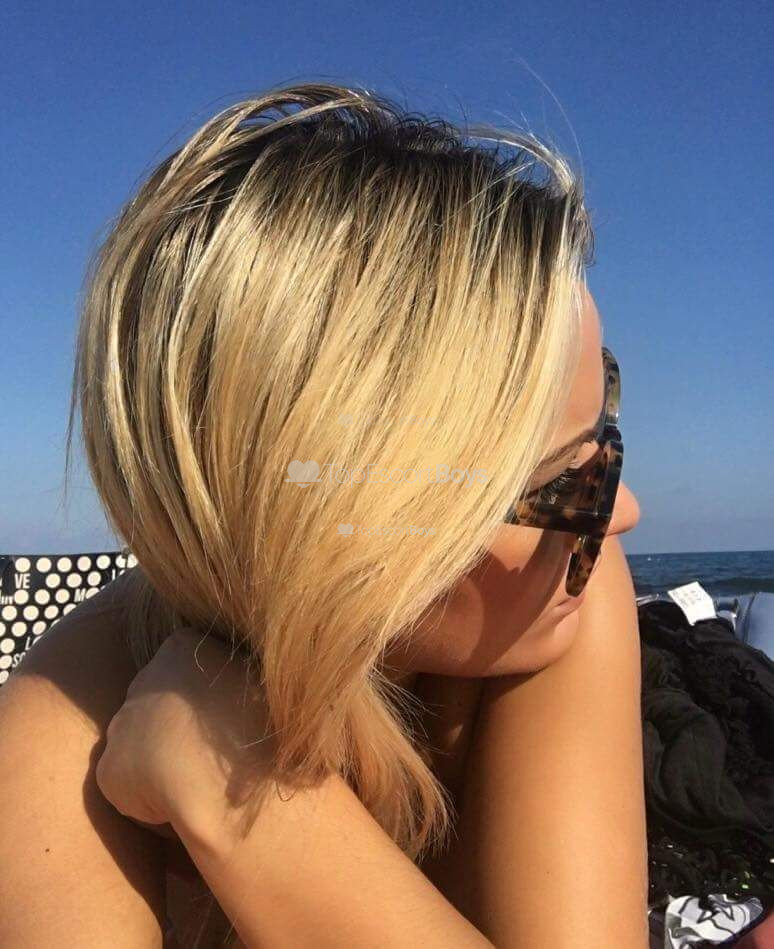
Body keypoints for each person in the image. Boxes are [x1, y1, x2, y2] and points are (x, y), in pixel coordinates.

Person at [0, 81, 647, 947]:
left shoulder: (556, 591)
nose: (621, 511)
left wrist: (251, 813)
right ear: (338, 529)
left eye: (602, 444)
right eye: (561, 484)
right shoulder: (54, 742)